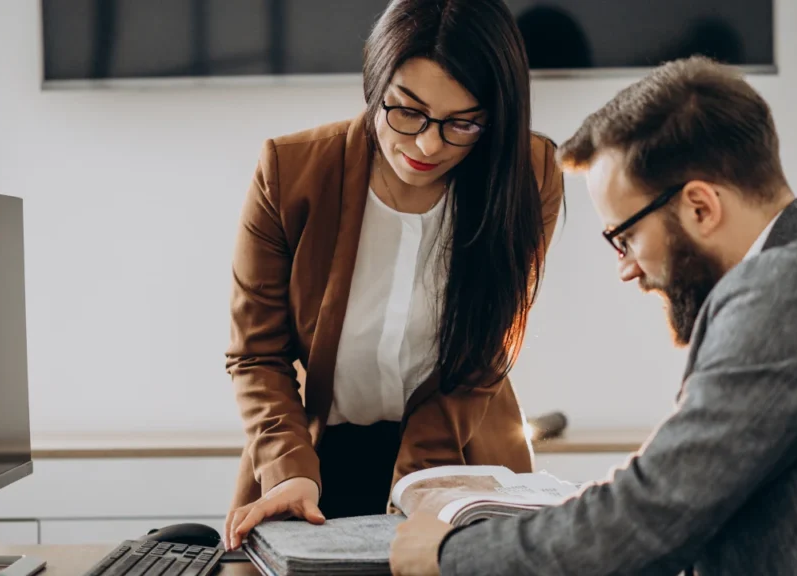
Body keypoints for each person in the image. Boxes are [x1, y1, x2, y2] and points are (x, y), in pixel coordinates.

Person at [390, 55, 797, 575]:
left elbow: (652, 516)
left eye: (624, 237)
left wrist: (452, 554)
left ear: (700, 206)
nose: (627, 269)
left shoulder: (790, 290)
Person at [222, 0, 565, 552]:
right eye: (408, 112)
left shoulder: (528, 173)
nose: (429, 145)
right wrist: (287, 468)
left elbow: (487, 350)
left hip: (459, 456)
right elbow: (256, 354)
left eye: (464, 122)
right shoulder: (290, 172)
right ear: (373, 81)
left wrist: (418, 480)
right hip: (308, 461)